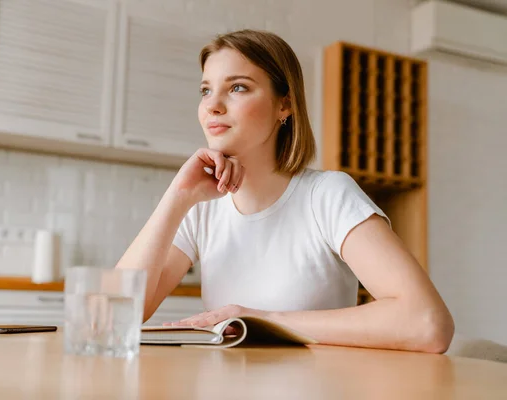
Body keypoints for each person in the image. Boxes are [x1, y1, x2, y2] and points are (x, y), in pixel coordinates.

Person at [115, 29, 455, 353]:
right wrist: (178, 196)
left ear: (285, 105)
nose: (212, 105)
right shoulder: (201, 208)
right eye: (206, 90)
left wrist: (264, 321)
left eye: (238, 88)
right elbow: (115, 317)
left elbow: (427, 324)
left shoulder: (328, 196)